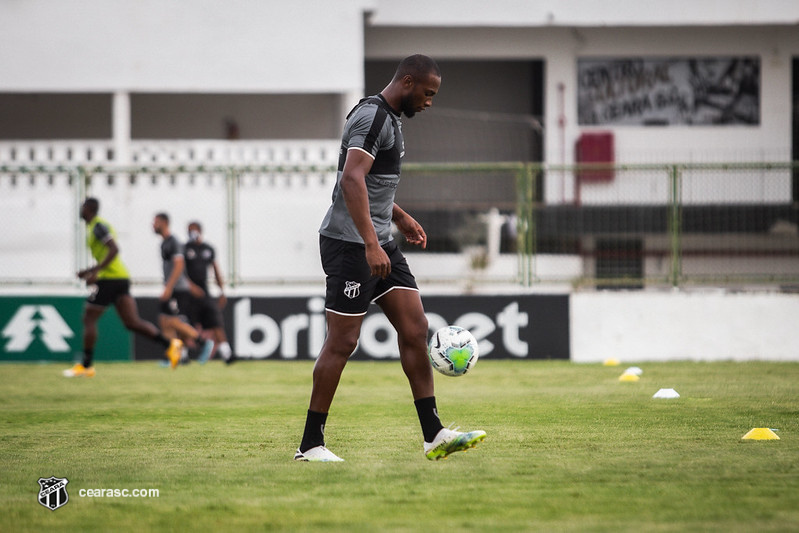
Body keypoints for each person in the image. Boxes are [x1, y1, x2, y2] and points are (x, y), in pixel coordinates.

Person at [294, 54, 485, 462]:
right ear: (408, 82)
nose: (430, 102)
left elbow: (374, 182)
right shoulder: (373, 116)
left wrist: (398, 216)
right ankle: (310, 444)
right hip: (350, 245)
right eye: (428, 94)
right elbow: (350, 178)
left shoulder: (391, 118)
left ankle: (433, 435)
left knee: (415, 328)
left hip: (379, 240)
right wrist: (370, 243)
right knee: (342, 342)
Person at [65, 197, 183, 377]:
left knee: (88, 319)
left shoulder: (98, 226)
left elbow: (114, 249)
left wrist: (95, 272)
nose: (80, 210)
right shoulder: (94, 227)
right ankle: (170, 345)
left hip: (110, 279)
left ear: (89, 209)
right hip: (120, 277)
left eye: (82, 207)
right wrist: (90, 271)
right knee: (132, 323)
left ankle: (86, 366)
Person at [152, 213, 214, 364]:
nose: (153, 225)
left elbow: (179, 266)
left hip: (178, 289)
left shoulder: (174, 242)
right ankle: (175, 355)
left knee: (173, 321)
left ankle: (203, 342)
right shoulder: (164, 243)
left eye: (156, 222)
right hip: (173, 288)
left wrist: (169, 287)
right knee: (164, 320)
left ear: (164, 223)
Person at [184, 221, 235, 364]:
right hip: (189, 293)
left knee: (216, 322)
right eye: (189, 231)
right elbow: (180, 271)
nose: (191, 234)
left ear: (200, 231)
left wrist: (222, 290)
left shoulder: (208, 249)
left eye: (193, 230)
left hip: (204, 292)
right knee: (187, 324)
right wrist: (190, 287)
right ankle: (183, 355)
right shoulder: (185, 249)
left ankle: (227, 354)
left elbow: (215, 269)